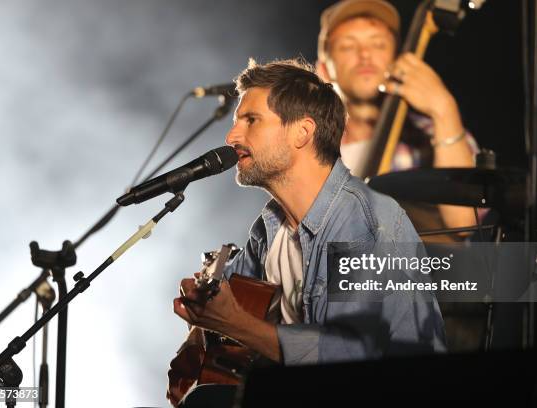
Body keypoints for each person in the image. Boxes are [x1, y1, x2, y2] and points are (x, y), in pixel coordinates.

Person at [168, 59, 446, 407]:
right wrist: (198, 333)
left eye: (251, 120)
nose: (232, 136)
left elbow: (349, 356)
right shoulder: (270, 228)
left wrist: (234, 323)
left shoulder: (362, 220)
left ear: (302, 132)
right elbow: (226, 308)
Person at [316, 0, 479, 230]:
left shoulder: (434, 132)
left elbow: (466, 222)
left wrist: (444, 109)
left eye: (379, 44)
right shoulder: (308, 147)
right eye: (347, 46)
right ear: (323, 70)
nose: (365, 55)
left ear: (396, 59)